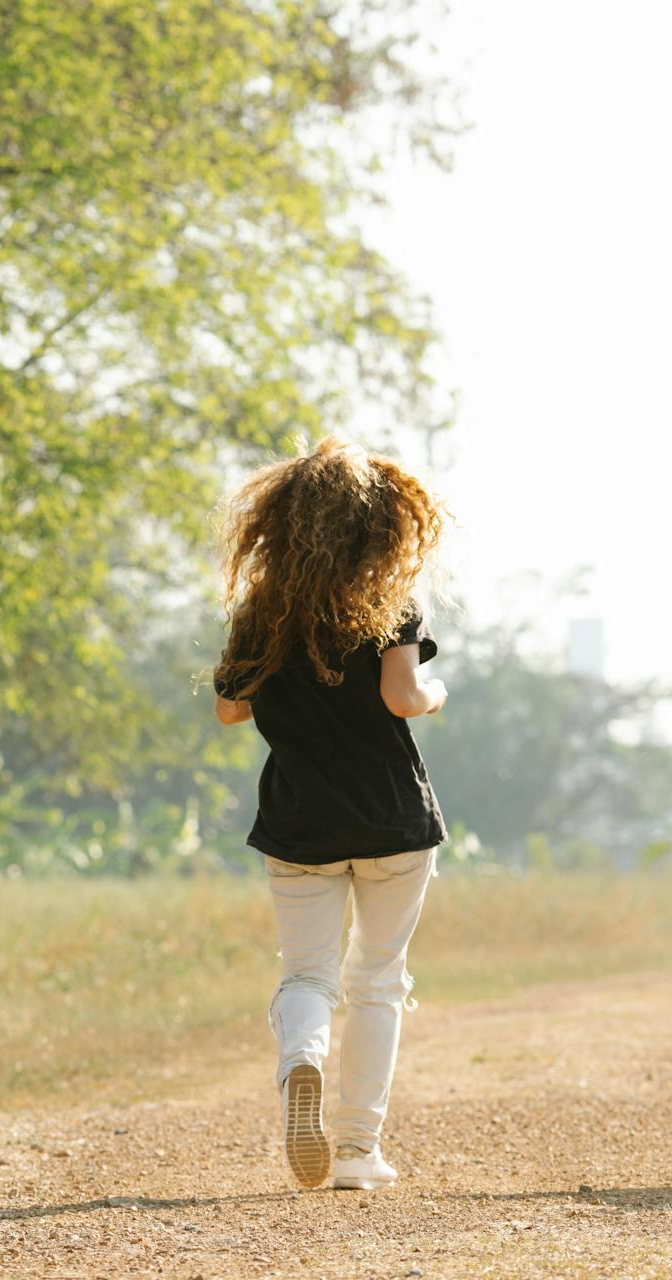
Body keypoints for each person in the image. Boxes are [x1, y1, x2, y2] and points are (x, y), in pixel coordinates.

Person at [211, 437, 451, 1192]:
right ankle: (356, 1153)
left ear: (283, 519)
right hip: (391, 819)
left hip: (301, 820)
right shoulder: (390, 601)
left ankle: (301, 1060)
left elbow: (228, 710)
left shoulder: (261, 612)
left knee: (307, 974)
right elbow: (403, 698)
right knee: (378, 980)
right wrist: (438, 694)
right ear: (375, 521)